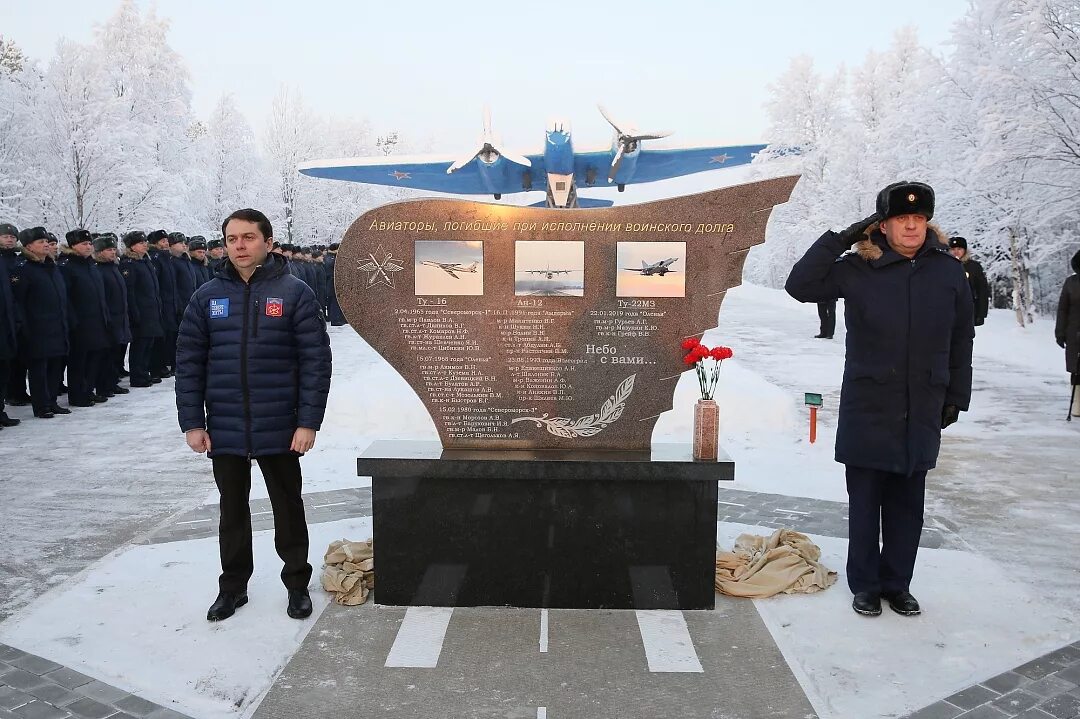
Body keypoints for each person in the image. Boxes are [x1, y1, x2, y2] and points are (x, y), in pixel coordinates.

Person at [785, 181, 974, 618]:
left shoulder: (947, 272)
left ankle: (897, 584)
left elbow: (962, 337)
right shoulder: (857, 267)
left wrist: (955, 395)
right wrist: (841, 238)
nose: (911, 226)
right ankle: (866, 586)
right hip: (870, 402)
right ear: (883, 225)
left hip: (923, 401)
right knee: (866, 502)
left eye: (919, 219)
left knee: (909, 505)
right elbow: (800, 284)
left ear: (928, 223)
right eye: (901, 219)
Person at [176, 208, 332, 622]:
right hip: (225, 423)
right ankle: (232, 587)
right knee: (232, 509)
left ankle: (297, 583)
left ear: (267, 241)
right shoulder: (207, 297)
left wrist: (307, 422)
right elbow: (189, 363)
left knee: (287, 505)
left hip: (280, 423)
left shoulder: (295, 292)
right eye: (232, 239)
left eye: (248, 237)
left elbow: (315, 362)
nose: (240, 246)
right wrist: (193, 422)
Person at [11, 227, 72, 419]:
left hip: (57, 324)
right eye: (40, 242)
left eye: (47, 241)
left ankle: (52, 401)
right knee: (39, 368)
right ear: (29, 246)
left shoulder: (51, 267)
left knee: (55, 365)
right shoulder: (23, 269)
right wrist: (24, 327)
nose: (46, 244)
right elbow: (18, 302)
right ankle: (41, 405)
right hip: (36, 327)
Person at [60, 229, 112, 407]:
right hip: (80, 323)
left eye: (90, 243)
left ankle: (88, 391)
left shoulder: (91, 265)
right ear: (73, 246)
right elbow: (65, 297)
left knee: (94, 359)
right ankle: (77, 395)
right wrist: (73, 321)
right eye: (84, 244)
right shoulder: (68, 266)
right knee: (79, 361)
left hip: (96, 321)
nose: (88, 246)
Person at [120, 231, 165, 388]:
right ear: (132, 247)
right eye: (140, 242)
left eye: (145, 241)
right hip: (140, 311)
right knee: (140, 345)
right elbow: (130, 291)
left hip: (151, 309)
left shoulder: (145, 261)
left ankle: (144, 373)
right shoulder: (129, 264)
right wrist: (134, 312)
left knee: (148, 344)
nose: (145, 244)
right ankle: (137, 376)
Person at [93, 234, 132, 398]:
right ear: (100, 252)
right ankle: (103, 385)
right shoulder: (99, 270)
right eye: (109, 249)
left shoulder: (113, 268)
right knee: (105, 355)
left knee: (115, 353)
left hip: (119, 317)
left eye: (114, 249)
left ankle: (111, 382)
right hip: (108, 318)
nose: (113, 252)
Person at [1055, 250, 1080, 417]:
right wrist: (1060, 332)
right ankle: (1078, 404)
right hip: (1074, 333)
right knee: (1077, 369)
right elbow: (1062, 309)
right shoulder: (1071, 283)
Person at [948, 237, 990, 328]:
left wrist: (981, 313)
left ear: (965, 250)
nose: (956, 251)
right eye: (953, 249)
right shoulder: (943, 266)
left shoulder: (973, 267)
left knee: (965, 339)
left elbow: (982, 290)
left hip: (969, 309)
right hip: (947, 311)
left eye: (959, 249)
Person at [0, 223, 18, 429]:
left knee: (5, 368)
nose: (10, 239)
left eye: (13, 237)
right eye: (5, 236)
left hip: (8, 322)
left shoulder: (16, 261)